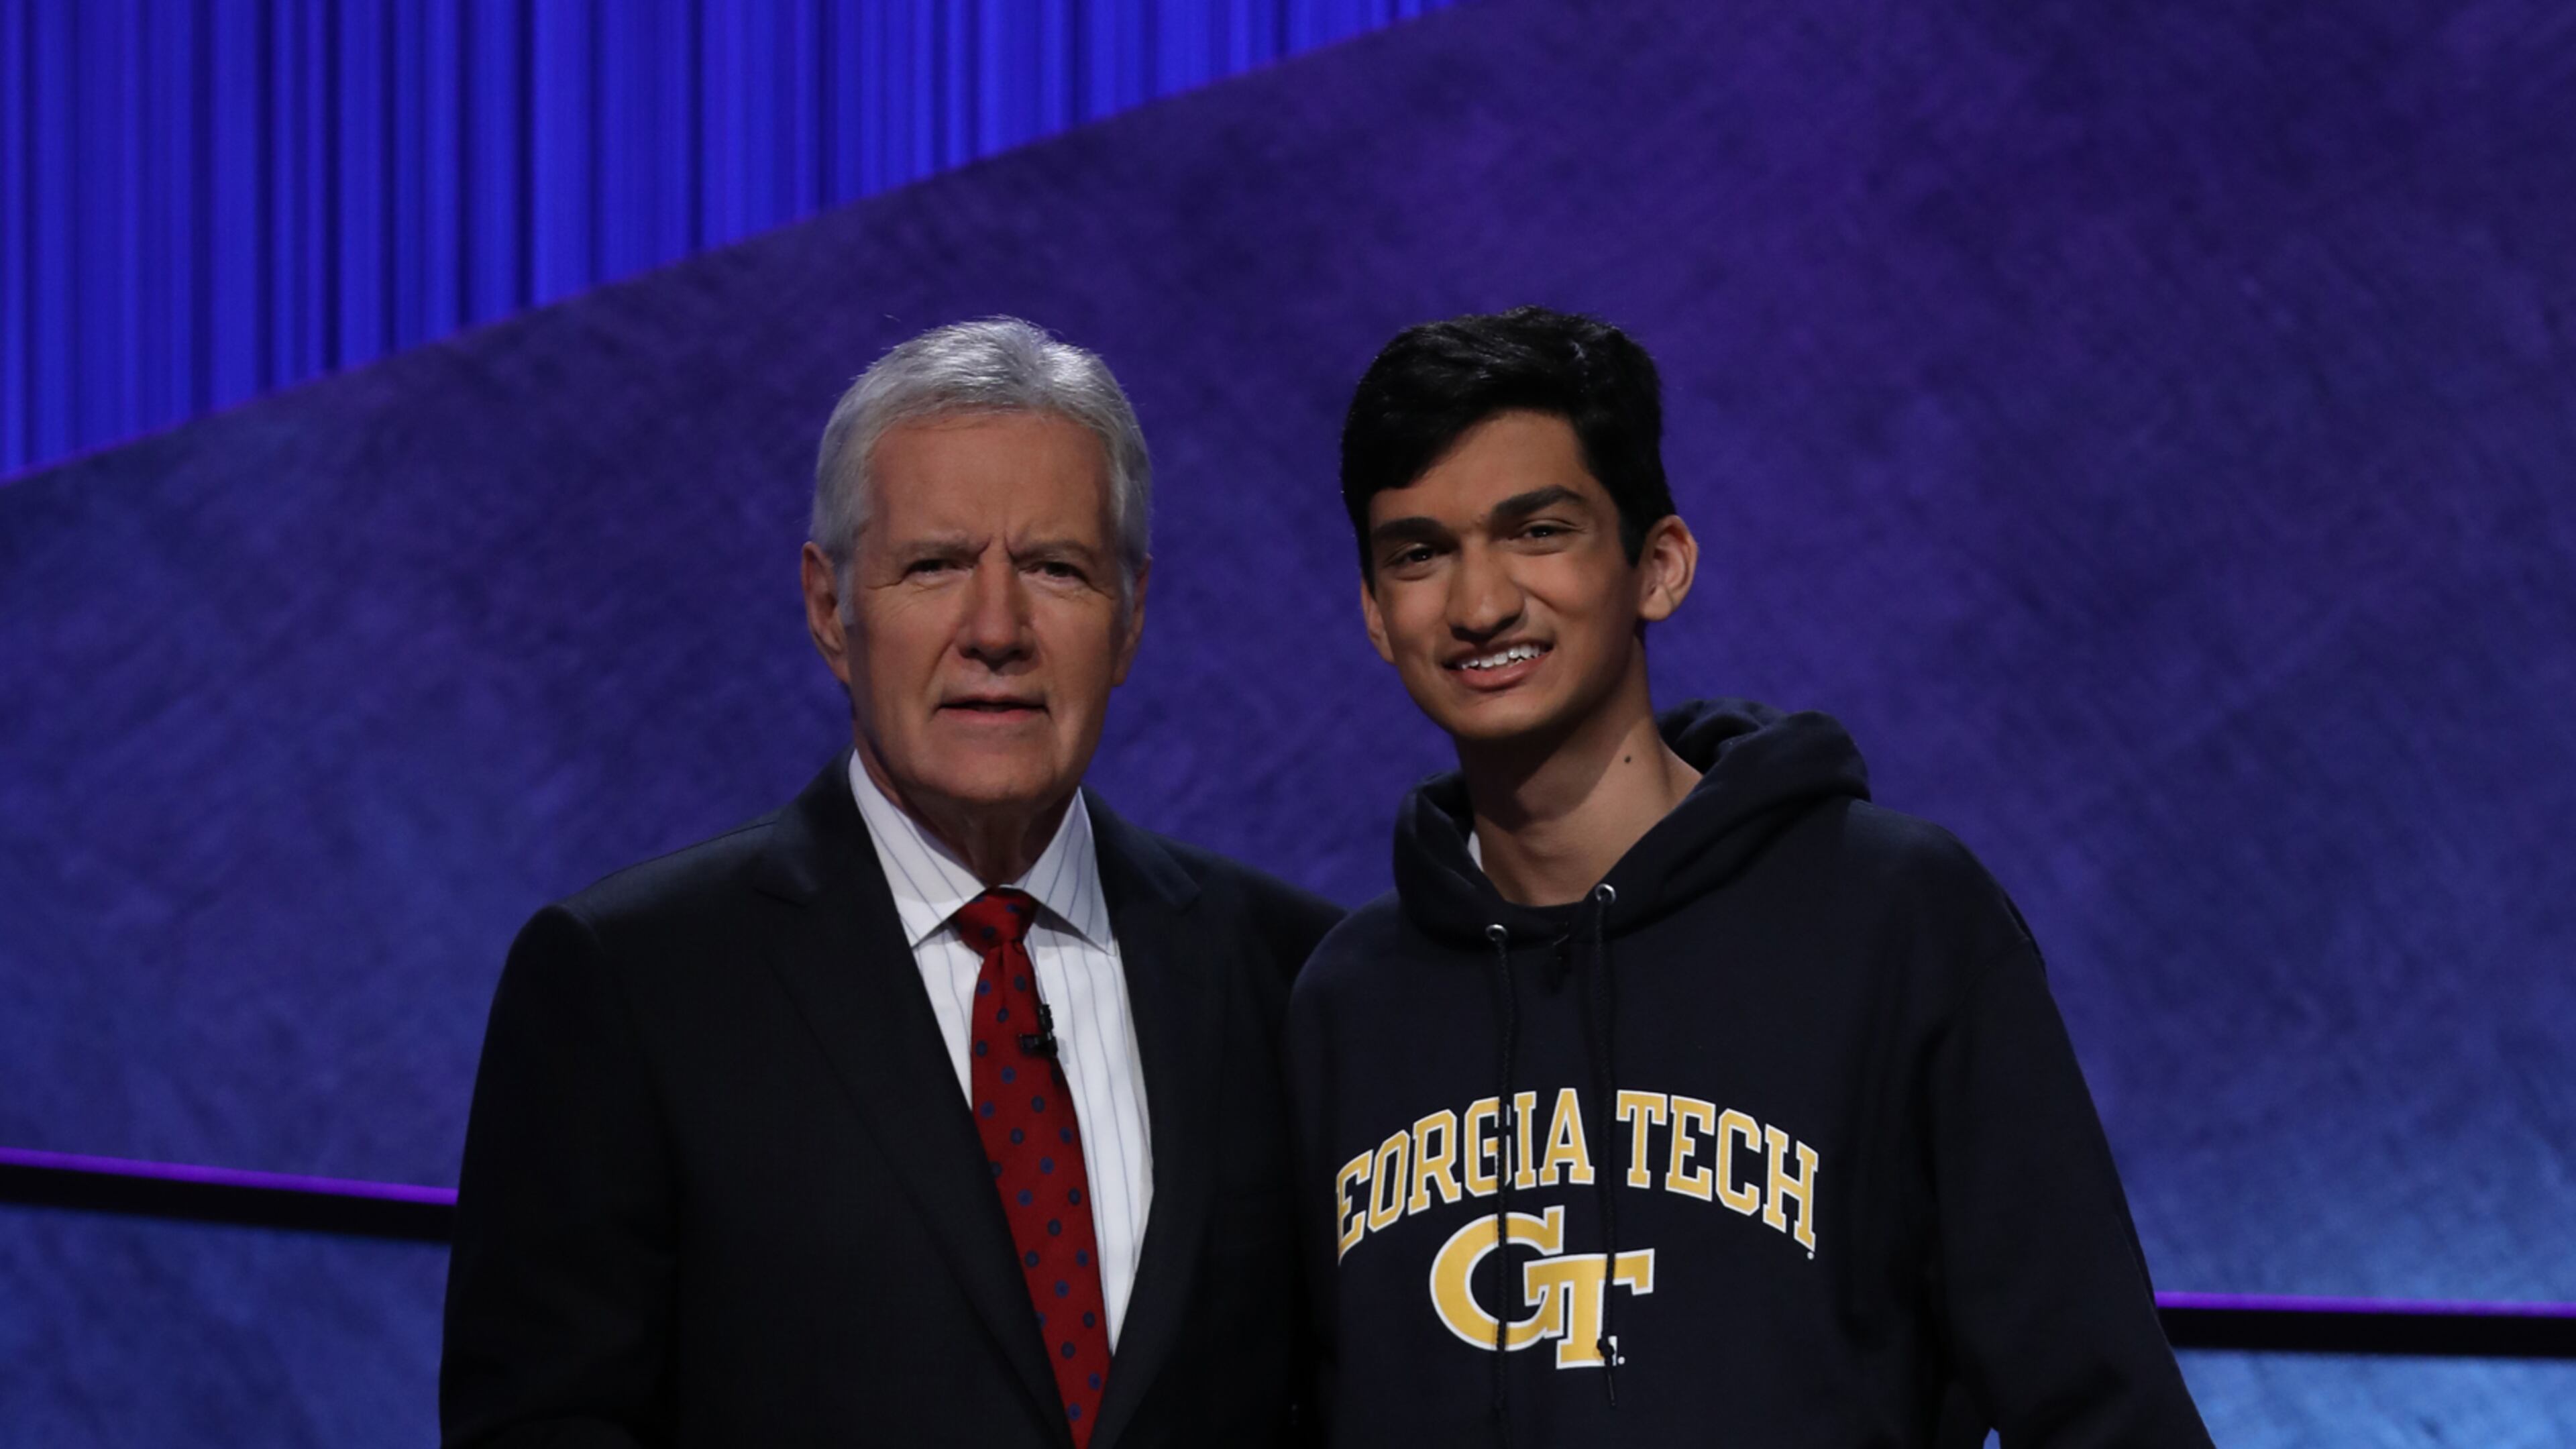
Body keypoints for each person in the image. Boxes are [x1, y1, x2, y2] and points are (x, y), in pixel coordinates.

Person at [1287, 307, 2211, 1446]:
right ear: (1378, 615)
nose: (1480, 605)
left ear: (1658, 566)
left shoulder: (1893, 919)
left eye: (1538, 531)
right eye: (1420, 553)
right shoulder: (1348, 1001)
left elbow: (2100, 1408)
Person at [442, 317, 1341, 1448]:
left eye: (1057, 569)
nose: (997, 629)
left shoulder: (1295, 975)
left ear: (1132, 615)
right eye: (935, 566)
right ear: (831, 609)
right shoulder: (629, 984)